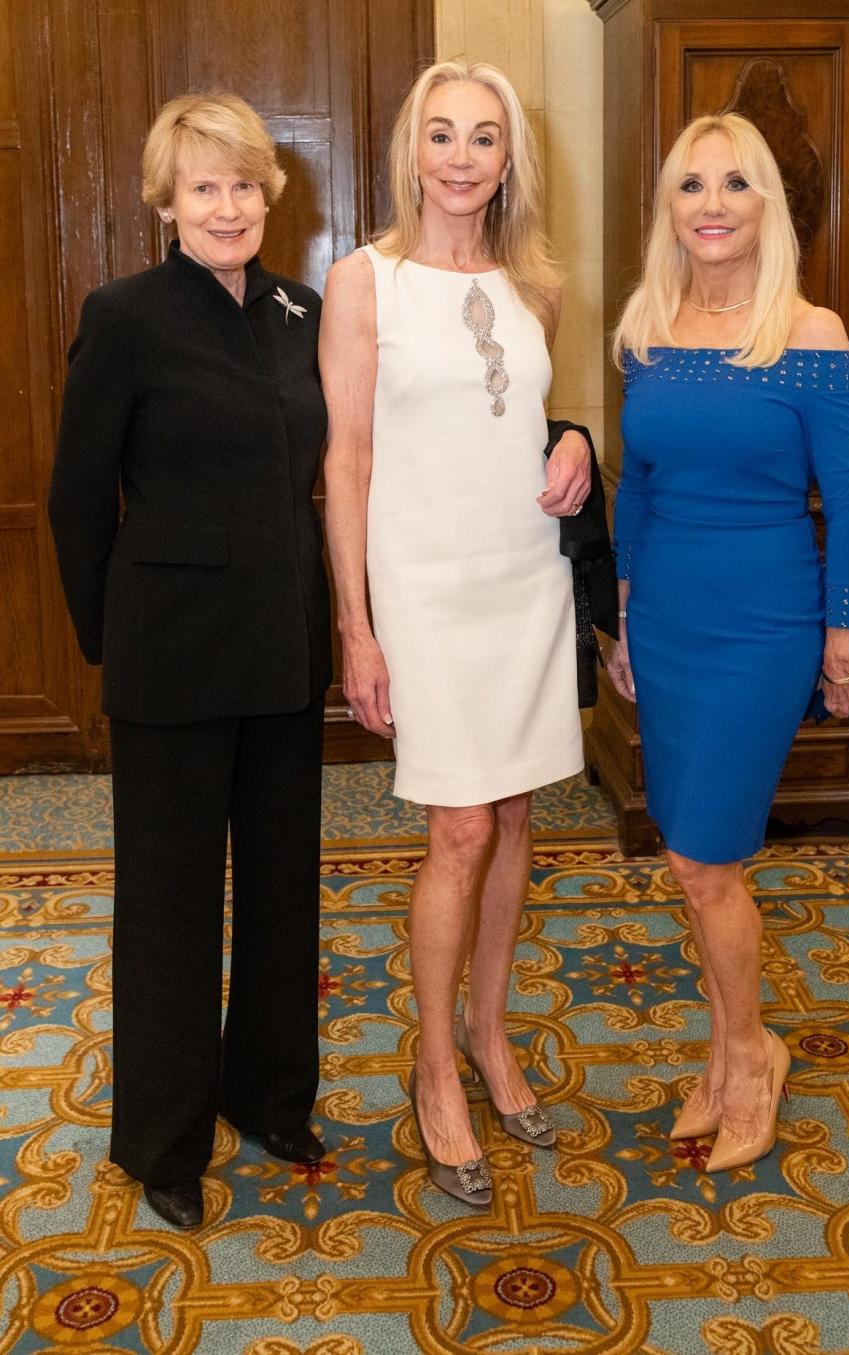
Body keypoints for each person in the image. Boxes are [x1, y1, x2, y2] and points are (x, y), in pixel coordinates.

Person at [48, 92, 331, 1229]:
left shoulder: (302, 312)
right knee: (169, 905)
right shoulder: (122, 316)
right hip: (168, 656)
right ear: (166, 202)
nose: (229, 205)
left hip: (282, 648)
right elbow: (78, 501)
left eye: (245, 183)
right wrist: (107, 638)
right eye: (203, 186)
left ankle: (270, 1094)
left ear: (271, 194)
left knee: (280, 889)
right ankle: (162, 1136)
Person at [319, 60, 592, 1207]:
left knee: (517, 809)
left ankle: (489, 1032)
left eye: (484, 137)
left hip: (524, 579)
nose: (463, 157)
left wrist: (573, 438)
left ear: (508, 158)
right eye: (443, 134)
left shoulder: (542, 285)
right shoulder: (362, 279)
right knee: (461, 829)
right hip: (423, 590)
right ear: (411, 151)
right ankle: (433, 1064)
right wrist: (356, 626)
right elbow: (347, 459)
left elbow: (534, 414)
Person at [606, 113, 849, 1172]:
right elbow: (641, 488)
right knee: (686, 852)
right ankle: (728, 1048)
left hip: (763, 619)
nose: (711, 204)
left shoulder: (810, 334)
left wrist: (840, 637)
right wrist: (622, 617)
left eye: (734, 184)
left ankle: (751, 1054)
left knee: (704, 856)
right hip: (665, 616)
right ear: (668, 207)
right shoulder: (647, 326)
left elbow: (847, 503)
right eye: (690, 185)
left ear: (769, 204)